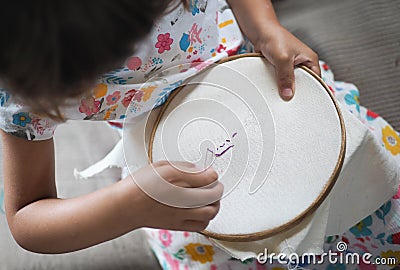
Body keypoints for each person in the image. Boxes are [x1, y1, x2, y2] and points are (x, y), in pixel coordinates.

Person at [0, 0, 398, 269]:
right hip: (168, 171)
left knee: (376, 190)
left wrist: (264, 27)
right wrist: (128, 204)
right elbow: (27, 218)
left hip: (260, 81)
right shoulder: (22, 84)